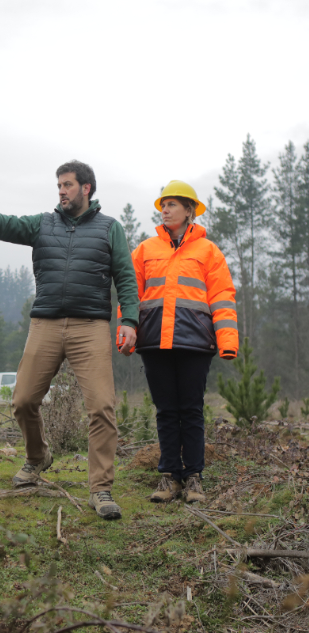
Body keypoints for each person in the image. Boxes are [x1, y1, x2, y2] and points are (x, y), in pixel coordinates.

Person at [0, 160, 139, 520]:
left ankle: (100, 489)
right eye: (59, 186)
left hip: (91, 326)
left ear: (86, 188)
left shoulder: (109, 229)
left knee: (101, 406)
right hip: (46, 324)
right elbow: (8, 226)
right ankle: (38, 456)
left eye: (68, 185)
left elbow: (126, 277)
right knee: (22, 400)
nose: (61, 191)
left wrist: (128, 319)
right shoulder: (43, 223)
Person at [127, 181, 237, 504]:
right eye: (163, 204)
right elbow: (130, 294)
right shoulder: (145, 250)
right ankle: (169, 477)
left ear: (189, 210)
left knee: (191, 410)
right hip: (154, 342)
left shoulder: (208, 251)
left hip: (194, 344)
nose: (165, 209)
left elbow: (222, 297)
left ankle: (194, 479)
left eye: (172, 204)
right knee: (165, 410)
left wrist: (227, 339)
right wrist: (128, 330)